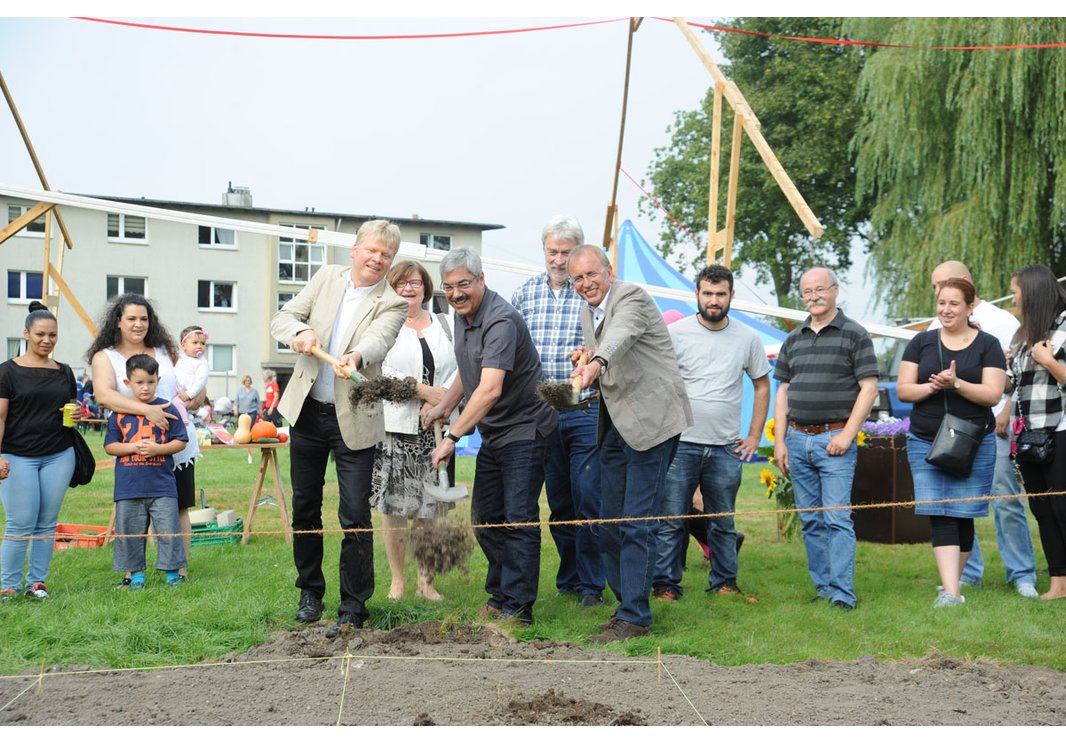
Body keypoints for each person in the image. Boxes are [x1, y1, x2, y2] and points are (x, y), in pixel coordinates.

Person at [270, 219, 407, 637]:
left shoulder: (393, 302)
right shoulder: (326, 277)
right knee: (306, 506)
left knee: (353, 514)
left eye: (386, 255)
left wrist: (358, 356)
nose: (377, 259)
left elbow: (380, 340)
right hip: (308, 413)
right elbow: (283, 317)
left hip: (356, 419)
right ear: (355, 249)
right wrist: (300, 331)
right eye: (372, 250)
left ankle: (353, 605)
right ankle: (309, 592)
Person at [423, 247, 557, 628]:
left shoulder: (501, 320)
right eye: (449, 287)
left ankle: (518, 606)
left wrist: (451, 436)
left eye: (464, 284)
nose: (456, 293)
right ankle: (501, 594)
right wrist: (443, 406)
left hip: (526, 430)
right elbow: (470, 372)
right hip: (497, 432)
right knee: (486, 519)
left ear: (482, 280)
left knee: (517, 519)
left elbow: (489, 390)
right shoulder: (463, 316)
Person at [569, 245, 692, 642]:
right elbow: (613, 346)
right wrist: (588, 355)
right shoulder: (590, 311)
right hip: (617, 425)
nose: (586, 283)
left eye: (592, 274)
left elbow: (621, 336)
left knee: (638, 522)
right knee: (608, 523)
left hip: (652, 424)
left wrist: (596, 362)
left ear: (609, 270)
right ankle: (627, 607)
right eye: (578, 279)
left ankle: (634, 617)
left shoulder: (631, 296)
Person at [652, 265, 770, 602]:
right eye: (708, 293)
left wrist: (754, 436)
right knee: (672, 519)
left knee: (722, 521)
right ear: (697, 295)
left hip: (725, 448)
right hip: (681, 443)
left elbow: (762, 386)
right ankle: (666, 585)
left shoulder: (748, 338)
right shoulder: (677, 334)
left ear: (732, 295)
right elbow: (660, 382)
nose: (714, 300)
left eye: (720, 294)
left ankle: (725, 584)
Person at [511, 216, 605, 608]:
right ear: (544, 251)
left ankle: (592, 586)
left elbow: (608, 342)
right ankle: (569, 578)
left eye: (567, 253)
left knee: (588, 496)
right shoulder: (525, 294)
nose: (559, 259)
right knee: (560, 500)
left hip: (584, 409)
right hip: (542, 412)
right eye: (553, 251)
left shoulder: (591, 293)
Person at [929, 261, 1038, 598]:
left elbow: (1020, 370)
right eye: (935, 290)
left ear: (963, 283)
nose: (937, 295)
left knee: (1005, 500)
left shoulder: (1003, 321)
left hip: (995, 427)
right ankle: (967, 574)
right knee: (960, 504)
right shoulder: (937, 324)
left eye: (941, 285)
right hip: (954, 430)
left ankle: (1022, 574)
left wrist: (1006, 409)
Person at [773, 267, 879, 611]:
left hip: (834, 439)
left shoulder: (855, 334)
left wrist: (848, 433)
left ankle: (841, 594)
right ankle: (822, 587)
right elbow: (783, 391)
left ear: (835, 291)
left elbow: (869, 387)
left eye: (820, 289)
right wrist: (779, 441)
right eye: (807, 292)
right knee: (811, 520)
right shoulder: (794, 338)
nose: (814, 296)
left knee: (836, 518)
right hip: (797, 439)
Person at [897, 277, 1005, 607]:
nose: (946, 309)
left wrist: (956, 383)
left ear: (970, 306)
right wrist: (934, 387)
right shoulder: (921, 342)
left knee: (964, 513)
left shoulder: (988, 344)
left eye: (954, 303)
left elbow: (992, 394)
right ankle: (951, 592)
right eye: (942, 302)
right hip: (925, 440)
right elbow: (904, 390)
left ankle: (951, 585)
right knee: (939, 512)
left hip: (975, 442)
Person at [87, 293, 201, 581]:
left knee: (180, 505)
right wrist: (145, 411)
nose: (138, 324)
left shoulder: (164, 350)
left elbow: (182, 386)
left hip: (175, 442)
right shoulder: (105, 357)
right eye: (131, 319)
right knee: (135, 509)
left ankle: (179, 570)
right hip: (135, 448)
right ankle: (133, 572)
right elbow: (104, 395)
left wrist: (196, 395)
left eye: (144, 319)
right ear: (118, 321)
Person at [372, 260, 459, 602]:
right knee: (395, 509)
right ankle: (398, 581)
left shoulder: (446, 323)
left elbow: (463, 365)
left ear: (426, 287)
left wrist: (444, 401)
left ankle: (426, 581)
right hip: (397, 429)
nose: (409, 288)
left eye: (415, 282)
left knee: (432, 509)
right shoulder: (384, 326)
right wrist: (424, 394)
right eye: (401, 283)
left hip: (438, 431)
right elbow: (383, 371)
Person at [0, 302, 80, 601]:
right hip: (17, 455)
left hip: (59, 453)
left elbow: (69, 409)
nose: (47, 341)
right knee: (20, 522)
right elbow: (1, 417)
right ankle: (8, 586)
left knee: (47, 522)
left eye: (53, 335)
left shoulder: (64, 371)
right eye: (40, 334)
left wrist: (77, 414)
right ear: (26, 333)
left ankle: (37, 583)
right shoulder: (6, 372)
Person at [1005, 265, 1066, 601]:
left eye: (1015, 291)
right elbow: (1011, 384)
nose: (1014, 298)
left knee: (1061, 509)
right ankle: (1059, 583)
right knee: (1042, 510)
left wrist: (1049, 360)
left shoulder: (1065, 324)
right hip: (1029, 433)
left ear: (1032, 292)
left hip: (1061, 428)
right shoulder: (1023, 333)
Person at [104, 354, 189, 589]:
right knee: (129, 533)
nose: (145, 387)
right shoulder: (119, 412)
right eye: (139, 382)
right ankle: (136, 577)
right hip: (128, 487)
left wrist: (158, 449)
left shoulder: (167, 407)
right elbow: (110, 446)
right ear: (127, 383)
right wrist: (133, 448)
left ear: (158, 380)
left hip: (162, 486)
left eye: (150, 382)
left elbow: (180, 441)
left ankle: (173, 576)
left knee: (168, 532)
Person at [173, 325, 209, 425]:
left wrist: (189, 394)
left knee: (177, 403)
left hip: (188, 393)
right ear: (183, 345)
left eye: (203, 343)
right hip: (178, 391)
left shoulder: (201, 362)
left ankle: (184, 422)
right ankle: (200, 414)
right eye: (195, 343)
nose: (199, 346)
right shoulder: (180, 356)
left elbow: (201, 381)